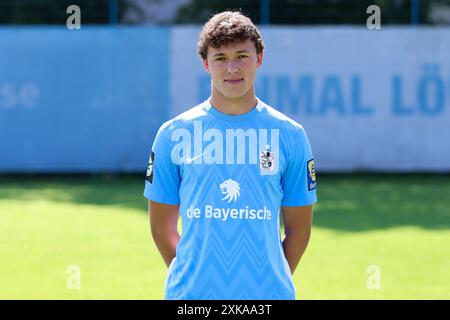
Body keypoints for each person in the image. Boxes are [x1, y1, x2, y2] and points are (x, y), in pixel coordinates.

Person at [144, 10, 317, 300]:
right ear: (205, 64)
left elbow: (299, 228)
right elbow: (161, 227)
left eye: (242, 56)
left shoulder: (290, 135)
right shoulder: (173, 134)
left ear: (259, 58)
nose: (232, 69)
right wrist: (191, 275)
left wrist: (268, 282)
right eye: (221, 58)